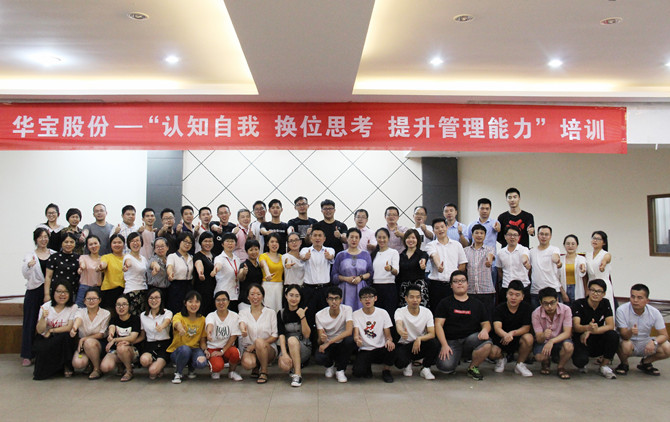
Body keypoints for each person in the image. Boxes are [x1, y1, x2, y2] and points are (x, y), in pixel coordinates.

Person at [434, 271, 492, 380]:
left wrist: (485, 330)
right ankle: (455, 359)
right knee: (445, 368)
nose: (459, 283)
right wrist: (444, 345)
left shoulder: (477, 304)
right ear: (451, 285)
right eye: (456, 281)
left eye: (462, 281)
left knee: (487, 343)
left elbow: (486, 323)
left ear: (467, 284)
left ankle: (472, 367)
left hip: (470, 340)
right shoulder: (444, 303)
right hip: (451, 341)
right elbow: (438, 325)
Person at [615, 283, 670, 376]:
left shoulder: (654, 312)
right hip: (628, 341)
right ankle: (624, 364)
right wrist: (630, 331)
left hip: (645, 341)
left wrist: (654, 342)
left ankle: (646, 362)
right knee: (625, 345)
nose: (635, 300)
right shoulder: (622, 310)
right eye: (633, 297)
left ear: (647, 300)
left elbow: (664, 335)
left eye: (639, 298)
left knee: (667, 348)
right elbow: (624, 335)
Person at [21, 227, 55, 367]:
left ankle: (45, 352)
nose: (43, 239)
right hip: (34, 291)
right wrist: (29, 266)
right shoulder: (30, 255)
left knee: (49, 322)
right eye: (40, 237)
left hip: (50, 292)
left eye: (45, 237)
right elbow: (25, 273)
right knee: (30, 322)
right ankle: (27, 354)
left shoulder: (53, 254)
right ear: (36, 239)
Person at [571, 279, 619, 379]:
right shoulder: (578, 304)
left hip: (597, 338)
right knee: (580, 361)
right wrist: (587, 328)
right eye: (592, 290)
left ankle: (604, 365)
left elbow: (610, 325)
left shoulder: (605, 303)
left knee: (613, 335)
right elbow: (576, 327)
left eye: (599, 291)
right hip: (581, 339)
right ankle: (582, 364)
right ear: (588, 291)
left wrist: (592, 331)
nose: (595, 294)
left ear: (604, 294)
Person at [32, 281, 77, 380]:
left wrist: (51, 330)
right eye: (59, 291)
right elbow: (40, 331)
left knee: (66, 336)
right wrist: (43, 318)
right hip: (46, 337)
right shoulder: (46, 307)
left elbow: (69, 327)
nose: (62, 295)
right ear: (53, 293)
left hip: (61, 337)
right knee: (39, 373)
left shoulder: (73, 307)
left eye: (65, 292)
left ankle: (67, 365)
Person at [489, 280, 534, 377]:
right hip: (502, 338)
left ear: (522, 297)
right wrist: (506, 335)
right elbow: (497, 327)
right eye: (511, 294)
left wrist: (512, 333)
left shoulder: (527, 308)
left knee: (529, 338)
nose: (513, 298)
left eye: (517, 295)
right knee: (491, 352)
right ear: (506, 295)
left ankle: (520, 364)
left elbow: (526, 328)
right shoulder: (499, 308)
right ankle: (501, 359)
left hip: (517, 338)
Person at [352, 286, 396, 383]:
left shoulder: (383, 313)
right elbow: (356, 334)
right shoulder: (356, 314)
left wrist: (389, 341)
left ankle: (386, 370)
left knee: (391, 347)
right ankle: (367, 367)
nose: (367, 300)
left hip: (380, 348)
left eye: (370, 297)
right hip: (365, 349)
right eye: (364, 297)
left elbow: (388, 335)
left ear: (375, 298)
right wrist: (357, 340)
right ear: (360, 300)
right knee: (358, 373)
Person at [394, 285, 438, 380]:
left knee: (434, 343)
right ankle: (407, 363)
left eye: (418, 297)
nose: (415, 300)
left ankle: (426, 368)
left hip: (419, 344)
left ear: (421, 298)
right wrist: (401, 331)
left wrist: (419, 338)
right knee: (399, 362)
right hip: (405, 345)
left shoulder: (427, 312)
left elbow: (432, 333)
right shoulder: (400, 311)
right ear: (406, 298)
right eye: (411, 297)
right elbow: (398, 324)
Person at [238, 284, 278, 384]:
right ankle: (256, 366)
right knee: (248, 363)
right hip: (250, 349)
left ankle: (264, 371)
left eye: (258, 294)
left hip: (268, 348)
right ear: (248, 297)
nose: (255, 297)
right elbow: (242, 323)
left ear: (263, 296)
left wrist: (255, 345)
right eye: (252, 294)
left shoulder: (270, 312)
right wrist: (243, 330)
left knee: (259, 342)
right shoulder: (243, 312)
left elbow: (274, 336)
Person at [425, 217, 468, 311]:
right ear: (433, 231)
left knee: (454, 312)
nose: (440, 230)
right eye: (437, 228)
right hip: (436, 285)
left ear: (446, 227)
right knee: (436, 311)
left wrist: (455, 279)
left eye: (442, 227)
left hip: (453, 285)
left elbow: (462, 265)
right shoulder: (430, 245)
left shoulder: (457, 245)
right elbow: (434, 255)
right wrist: (438, 265)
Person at [315, 286, 356, 383]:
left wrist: (329, 342)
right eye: (331, 299)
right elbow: (320, 339)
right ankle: (329, 365)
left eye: (336, 298)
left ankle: (340, 370)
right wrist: (322, 339)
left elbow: (349, 331)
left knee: (350, 340)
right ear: (327, 300)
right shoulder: (319, 315)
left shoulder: (347, 309)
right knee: (319, 357)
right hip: (328, 344)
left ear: (341, 299)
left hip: (341, 342)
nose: (334, 302)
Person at [532, 287, 574, 379]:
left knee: (568, 346)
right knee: (539, 357)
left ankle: (561, 367)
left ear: (557, 300)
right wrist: (543, 335)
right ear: (540, 303)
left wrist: (552, 341)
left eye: (552, 302)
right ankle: (546, 362)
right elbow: (538, 339)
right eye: (546, 303)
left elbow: (567, 333)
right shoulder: (536, 313)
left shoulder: (566, 309)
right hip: (544, 342)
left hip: (560, 339)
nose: (549, 306)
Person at [167, 290, 208, 384]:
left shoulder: (203, 319)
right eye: (190, 301)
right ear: (185, 303)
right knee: (185, 350)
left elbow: (202, 340)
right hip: (179, 350)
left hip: (195, 349)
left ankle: (191, 368)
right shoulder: (178, 316)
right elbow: (176, 323)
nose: (194, 305)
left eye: (197, 302)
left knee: (202, 363)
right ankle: (178, 373)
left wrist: (205, 351)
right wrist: (181, 329)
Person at [300, 224, 335, 332]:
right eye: (315, 235)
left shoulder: (329, 250)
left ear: (324, 238)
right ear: (311, 238)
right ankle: (311, 340)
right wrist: (305, 258)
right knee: (310, 316)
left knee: (325, 317)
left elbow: (332, 256)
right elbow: (302, 257)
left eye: (320, 235)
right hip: (309, 289)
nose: (317, 238)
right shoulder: (305, 250)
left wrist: (329, 257)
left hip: (324, 289)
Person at [70, 287, 110, 380]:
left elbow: (101, 334)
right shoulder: (80, 311)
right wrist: (74, 328)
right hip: (83, 345)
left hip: (98, 343)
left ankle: (97, 369)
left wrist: (84, 339)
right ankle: (90, 363)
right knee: (78, 363)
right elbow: (78, 319)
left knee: (89, 342)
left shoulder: (105, 313)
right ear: (84, 301)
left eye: (94, 298)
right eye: (88, 299)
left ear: (99, 300)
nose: (91, 301)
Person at [331, 228, 373, 312]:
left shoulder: (366, 255)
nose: (354, 240)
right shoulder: (340, 255)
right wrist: (346, 279)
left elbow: (370, 273)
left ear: (360, 239)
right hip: (345, 290)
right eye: (351, 237)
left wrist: (360, 277)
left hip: (361, 289)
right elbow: (334, 276)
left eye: (356, 237)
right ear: (347, 238)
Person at [277, 285, 312, 387]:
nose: (294, 298)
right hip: (288, 346)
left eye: (297, 296)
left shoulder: (305, 311)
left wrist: (302, 317)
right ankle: (293, 367)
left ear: (300, 297)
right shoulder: (281, 313)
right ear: (286, 296)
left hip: (303, 345)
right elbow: (281, 335)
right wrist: (284, 354)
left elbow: (307, 334)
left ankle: (297, 375)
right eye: (291, 295)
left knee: (292, 340)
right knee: (284, 365)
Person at [100, 294, 140, 382]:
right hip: (117, 350)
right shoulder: (113, 319)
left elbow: (132, 337)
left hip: (131, 349)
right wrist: (111, 335)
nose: (121, 307)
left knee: (121, 348)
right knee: (105, 367)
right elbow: (112, 328)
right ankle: (121, 365)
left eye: (124, 304)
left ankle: (129, 371)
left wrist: (115, 340)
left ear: (129, 306)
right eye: (118, 305)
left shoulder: (135, 319)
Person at [205, 290, 243, 381]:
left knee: (235, 353)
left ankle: (232, 372)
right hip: (213, 348)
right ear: (215, 302)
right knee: (217, 367)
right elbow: (210, 325)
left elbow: (233, 336)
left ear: (228, 301)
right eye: (218, 300)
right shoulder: (211, 315)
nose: (221, 303)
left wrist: (222, 351)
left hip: (227, 347)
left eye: (224, 300)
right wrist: (209, 333)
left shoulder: (234, 316)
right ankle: (215, 369)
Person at [138, 288, 172, 380]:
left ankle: (159, 366)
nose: (154, 300)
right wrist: (128, 341)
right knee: (144, 360)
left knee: (152, 371)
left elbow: (167, 321)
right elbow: (142, 335)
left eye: (157, 298)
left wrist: (161, 327)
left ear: (161, 299)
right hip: (150, 345)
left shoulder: (167, 312)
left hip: (164, 345)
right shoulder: (143, 315)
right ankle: (156, 365)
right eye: (151, 298)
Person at [463, 224, 496, 317]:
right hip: (470, 290)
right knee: (472, 317)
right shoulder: (465, 251)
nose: (479, 235)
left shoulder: (490, 249)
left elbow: (490, 256)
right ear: (472, 235)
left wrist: (489, 261)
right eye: (476, 233)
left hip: (486, 290)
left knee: (487, 316)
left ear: (485, 235)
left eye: (482, 233)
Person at [529, 225, 563, 309]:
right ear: (537, 236)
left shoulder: (554, 249)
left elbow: (555, 257)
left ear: (550, 236)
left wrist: (557, 261)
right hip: (536, 291)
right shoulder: (531, 252)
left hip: (553, 290)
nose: (544, 237)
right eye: (541, 234)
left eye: (546, 234)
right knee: (536, 315)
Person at [496, 226, 531, 304]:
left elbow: (524, 256)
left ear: (519, 237)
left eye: (515, 235)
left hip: (523, 287)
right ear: (505, 236)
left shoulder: (524, 249)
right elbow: (499, 270)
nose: (512, 237)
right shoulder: (500, 253)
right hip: (506, 287)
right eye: (509, 235)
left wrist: (525, 262)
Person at [44, 231, 81, 303]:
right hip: (56, 293)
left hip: (73, 293)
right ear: (61, 243)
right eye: (66, 242)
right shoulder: (54, 257)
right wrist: (46, 294)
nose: (69, 244)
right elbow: (48, 277)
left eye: (71, 242)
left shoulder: (79, 258)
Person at [371, 228, 400, 317]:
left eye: (384, 237)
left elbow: (396, 271)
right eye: (379, 237)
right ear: (376, 238)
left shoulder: (393, 252)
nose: (382, 240)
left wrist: (390, 268)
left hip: (389, 287)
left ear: (388, 238)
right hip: (375, 287)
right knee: (376, 315)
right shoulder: (373, 254)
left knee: (389, 314)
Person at [397, 229, 429, 307]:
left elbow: (424, 259)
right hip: (405, 289)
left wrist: (423, 263)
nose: (411, 240)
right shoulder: (400, 255)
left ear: (417, 240)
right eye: (408, 238)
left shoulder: (422, 254)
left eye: (413, 238)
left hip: (419, 288)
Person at [166, 232, 195, 313]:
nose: (187, 244)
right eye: (185, 241)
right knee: (176, 310)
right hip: (176, 287)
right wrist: (170, 274)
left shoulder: (191, 257)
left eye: (190, 243)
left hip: (189, 287)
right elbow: (170, 266)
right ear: (179, 241)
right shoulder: (172, 256)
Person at [212, 233, 241, 311]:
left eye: (232, 241)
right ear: (222, 244)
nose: (230, 243)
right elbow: (218, 265)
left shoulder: (237, 259)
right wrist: (215, 270)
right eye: (227, 241)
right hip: (222, 294)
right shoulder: (219, 258)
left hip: (235, 295)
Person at [586, 230, 615, 311]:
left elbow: (606, 259)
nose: (595, 240)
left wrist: (603, 264)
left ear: (604, 242)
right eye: (594, 238)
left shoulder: (605, 254)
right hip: (591, 285)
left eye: (598, 239)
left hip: (603, 284)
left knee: (604, 308)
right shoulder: (588, 255)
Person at [122, 232, 149, 316]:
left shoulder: (143, 258)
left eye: (137, 240)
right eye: (132, 241)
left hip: (143, 290)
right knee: (134, 317)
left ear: (141, 242)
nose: (135, 243)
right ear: (128, 244)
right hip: (132, 291)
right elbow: (128, 262)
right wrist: (126, 266)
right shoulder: (127, 257)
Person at [258, 232, 284, 311]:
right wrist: (268, 273)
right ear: (267, 244)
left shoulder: (282, 257)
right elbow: (264, 265)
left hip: (279, 287)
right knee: (267, 310)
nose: (274, 244)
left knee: (278, 310)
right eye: (272, 242)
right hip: (267, 286)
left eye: (276, 242)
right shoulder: (263, 256)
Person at [99, 234, 126, 310]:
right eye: (114, 242)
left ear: (124, 244)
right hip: (109, 292)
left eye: (119, 242)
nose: (117, 245)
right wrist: (101, 266)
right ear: (110, 245)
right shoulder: (106, 257)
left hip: (124, 291)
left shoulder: (128, 257)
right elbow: (103, 264)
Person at [75, 235, 102, 308]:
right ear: (87, 246)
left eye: (95, 243)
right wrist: (81, 268)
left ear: (99, 244)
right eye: (90, 244)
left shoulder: (103, 259)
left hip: (97, 288)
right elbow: (82, 265)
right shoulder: (83, 257)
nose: (93, 246)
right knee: (79, 309)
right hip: (84, 287)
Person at [193, 231, 217, 315]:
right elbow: (198, 264)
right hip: (202, 290)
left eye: (210, 241)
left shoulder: (215, 256)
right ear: (201, 243)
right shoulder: (197, 255)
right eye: (205, 241)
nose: (208, 243)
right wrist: (200, 273)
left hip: (214, 290)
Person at [559, 234, 588, 303]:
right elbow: (556, 278)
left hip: (577, 288)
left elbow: (583, 267)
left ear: (577, 245)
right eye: (568, 244)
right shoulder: (560, 259)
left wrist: (583, 269)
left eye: (573, 244)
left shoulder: (581, 258)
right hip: (563, 289)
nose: (570, 246)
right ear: (564, 245)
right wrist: (563, 293)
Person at [237, 239, 263, 308]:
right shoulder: (244, 265)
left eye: (256, 249)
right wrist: (243, 273)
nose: (254, 252)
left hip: (257, 300)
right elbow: (240, 278)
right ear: (246, 251)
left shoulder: (259, 266)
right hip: (245, 301)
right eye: (251, 250)